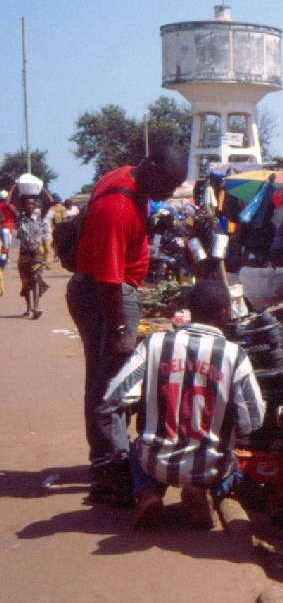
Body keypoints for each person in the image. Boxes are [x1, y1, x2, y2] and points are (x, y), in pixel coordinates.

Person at [66, 146, 187, 507]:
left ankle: (108, 463)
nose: (168, 193)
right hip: (107, 296)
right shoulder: (118, 206)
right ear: (149, 168)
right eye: (167, 184)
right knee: (111, 386)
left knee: (107, 382)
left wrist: (148, 227)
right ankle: (111, 472)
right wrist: (119, 329)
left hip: (104, 290)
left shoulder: (127, 179)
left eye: (175, 186)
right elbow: (107, 277)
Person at [101, 280, 266, 529]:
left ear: (190, 310)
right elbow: (252, 421)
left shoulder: (153, 344)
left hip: (154, 461)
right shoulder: (235, 356)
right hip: (209, 465)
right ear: (223, 313)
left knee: (136, 451)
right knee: (230, 464)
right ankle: (200, 490)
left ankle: (148, 493)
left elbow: (116, 395)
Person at [5, 186, 53, 318]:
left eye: (33, 204)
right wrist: (14, 187)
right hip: (24, 254)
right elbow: (7, 204)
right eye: (28, 204)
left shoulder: (39, 215)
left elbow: (50, 201)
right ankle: (28, 307)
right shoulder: (19, 217)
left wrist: (41, 188)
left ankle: (36, 308)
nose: (31, 206)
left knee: (36, 278)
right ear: (24, 206)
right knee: (25, 281)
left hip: (37, 252)